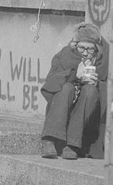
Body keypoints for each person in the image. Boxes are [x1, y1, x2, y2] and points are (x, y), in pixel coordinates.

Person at [40, 22, 109, 160]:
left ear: (97, 49)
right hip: (64, 108)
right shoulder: (64, 56)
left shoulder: (105, 61)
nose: (85, 52)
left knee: (90, 90)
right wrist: (74, 75)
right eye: (81, 48)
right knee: (66, 87)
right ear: (75, 45)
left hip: (88, 117)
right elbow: (51, 83)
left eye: (90, 49)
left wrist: (98, 84)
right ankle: (50, 140)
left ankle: (72, 145)